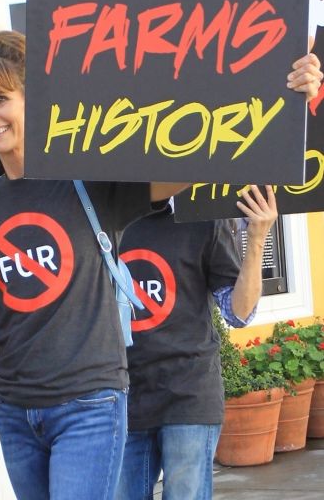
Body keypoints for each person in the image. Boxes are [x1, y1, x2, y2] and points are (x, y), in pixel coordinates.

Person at [0, 32, 322, 500]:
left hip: (89, 406)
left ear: (38, 98)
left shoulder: (90, 182)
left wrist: (283, 91)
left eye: (0, 98)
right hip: (15, 410)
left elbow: (206, 155)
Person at [116, 185, 277, 500]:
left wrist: (257, 238)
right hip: (122, 395)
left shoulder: (204, 219)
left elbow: (239, 313)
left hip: (188, 394)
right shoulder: (106, 218)